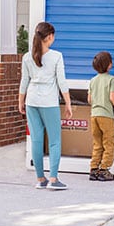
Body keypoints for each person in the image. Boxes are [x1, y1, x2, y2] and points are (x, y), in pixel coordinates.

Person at [19, 22, 73, 190]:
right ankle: (54, 179)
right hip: (49, 102)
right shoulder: (56, 56)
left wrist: (20, 101)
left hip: (31, 101)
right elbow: (62, 82)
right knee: (55, 141)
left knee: (36, 140)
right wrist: (68, 103)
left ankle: (41, 179)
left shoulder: (27, 57)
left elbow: (24, 81)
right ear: (49, 37)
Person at [87, 51, 114, 182]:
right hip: (106, 116)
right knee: (109, 143)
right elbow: (112, 97)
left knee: (97, 143)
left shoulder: (92, 80)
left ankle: (94, 168)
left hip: (94, 115)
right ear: (109, 66)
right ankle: (104, 169)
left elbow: (89, 99)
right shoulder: (112, 79)